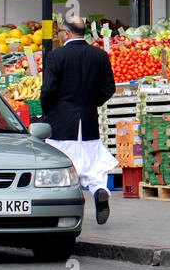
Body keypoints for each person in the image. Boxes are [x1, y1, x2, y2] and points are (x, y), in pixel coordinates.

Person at [39, 14, 118, 225]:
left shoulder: (56, 57)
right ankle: (100, 190)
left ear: (66, 33)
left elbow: (48, 90)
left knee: (64, 164)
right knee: (92, 162)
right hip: (88, 119)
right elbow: (109, 88)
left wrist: (48, 111)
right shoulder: (99, 56)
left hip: (62, 121)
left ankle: (62, 208)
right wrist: (92, 103)